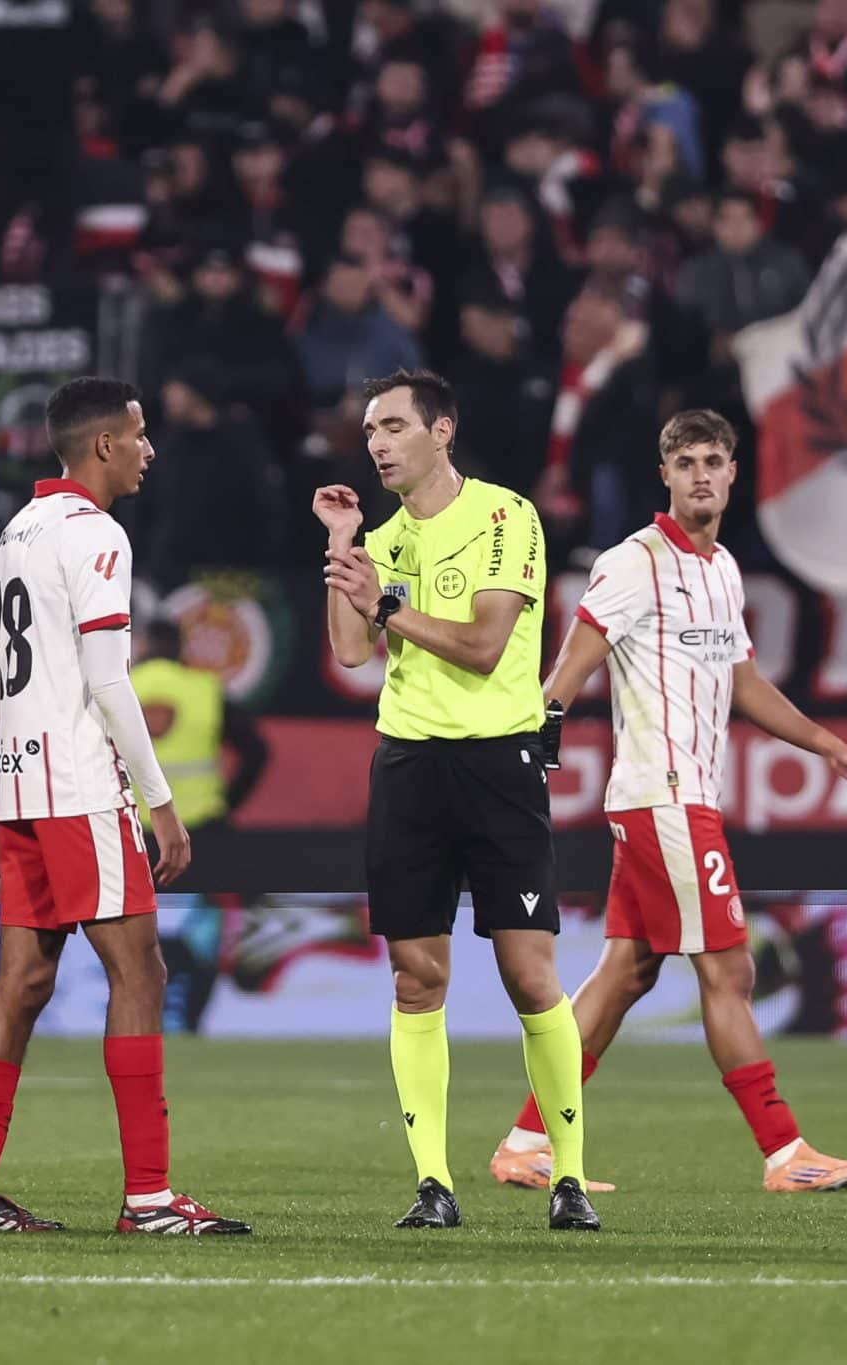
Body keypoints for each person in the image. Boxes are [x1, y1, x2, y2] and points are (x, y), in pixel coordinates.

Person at [489, 410, 847, 1195]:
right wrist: (549, 716)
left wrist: (826, 743)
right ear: (664, 474)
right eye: (687, 462)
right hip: (663, 797)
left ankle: (526, 1142)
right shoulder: (635, 561)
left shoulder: (723, 569)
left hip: (680, 797)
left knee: (626, 973)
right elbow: (583, 643)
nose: (702, 474)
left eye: (714, 461)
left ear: (734, 472)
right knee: (730, 970)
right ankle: (785, 1152)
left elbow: (741, 680)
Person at [0, 377, 251, 1236]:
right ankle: (150, 1198)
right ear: (104, 445)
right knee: (140, 971)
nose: (149, 449)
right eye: (140, 435)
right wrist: (163, 805)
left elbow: (8, 684)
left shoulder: (14, 534)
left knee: (22, 979)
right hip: (79, 786)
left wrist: (7, 809)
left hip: (25, 784)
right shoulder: (95, 534)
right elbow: (110, 681)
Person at [317, 367, 599, 1233]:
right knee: (416, 976)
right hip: (407, 764)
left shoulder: (507, 516)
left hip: (498, 764)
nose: (377, 444)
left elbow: (483, 645)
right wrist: (346, 553)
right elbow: (353, 653)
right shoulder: (387, 537)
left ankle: (569, 1177)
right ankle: (434, 1182)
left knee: (528, 973)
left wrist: (385, 600)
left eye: (394, 427)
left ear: (442, 432)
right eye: (370, 431)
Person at [130, 618, 270, 830]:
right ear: (181, 647)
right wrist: (228, 804)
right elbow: (256, 752)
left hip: (134, 827)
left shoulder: (118, 690)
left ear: (142, 645)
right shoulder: (206, 690)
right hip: (200, 825)